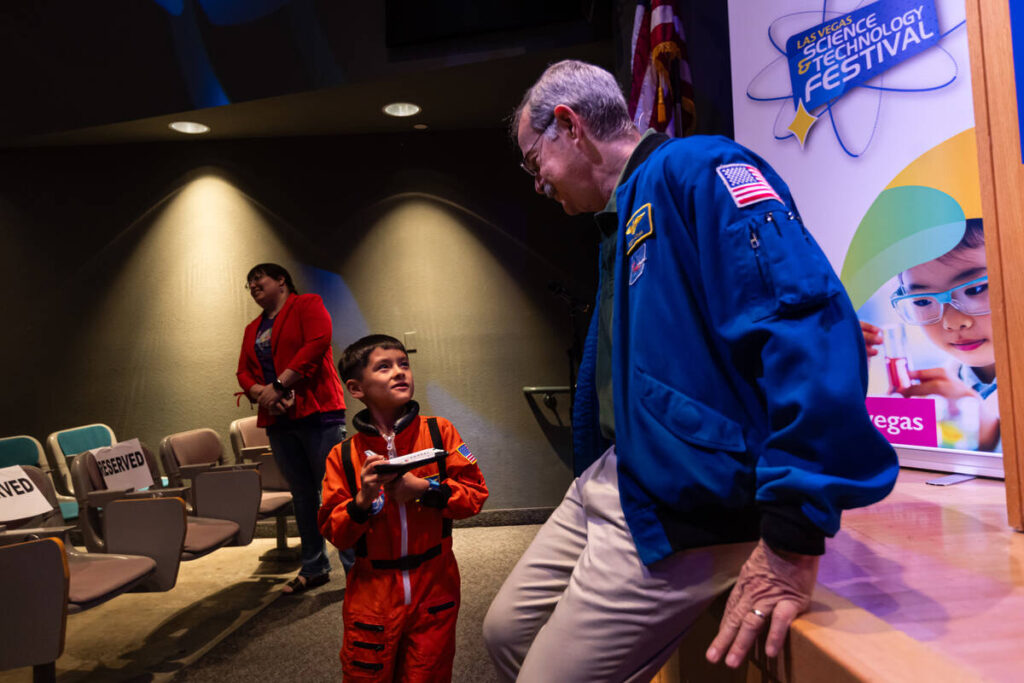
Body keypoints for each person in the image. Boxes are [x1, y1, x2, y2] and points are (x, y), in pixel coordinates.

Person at [482, 60, 898, 681]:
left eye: (531, 157)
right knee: (501, 634)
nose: (536, 180)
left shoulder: (697, 168)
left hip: (688, 490)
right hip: (621, 468)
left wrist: (790, 538)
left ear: (568, 126)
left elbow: (806, 328)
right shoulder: (621, 216)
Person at [318, 334, 488, 681]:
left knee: (428, 673)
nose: (399, 372)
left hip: (434, 586)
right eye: (384, 367)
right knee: (367, 674)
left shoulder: (440, 433)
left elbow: (474, 495)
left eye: (403, 364)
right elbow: (336, 532)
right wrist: (363, 501)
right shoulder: (344, 456)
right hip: (372, 592)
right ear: (356, 388)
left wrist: (423, 489)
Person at [236, 262, 352, 594]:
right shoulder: (252, 328)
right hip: (278, 418)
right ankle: (314, 567)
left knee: (336, 491)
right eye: (250, 284)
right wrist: (262, 393)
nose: (254, 286)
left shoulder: (308, 304)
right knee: (302, 495)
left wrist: (278, 385)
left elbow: (317, 343)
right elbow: (243, 372)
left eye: (259, 279)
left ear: (281, 280)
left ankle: (357, 568)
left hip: (318, 411)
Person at [861, 219, 999, 450]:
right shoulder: (938, 393)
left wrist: (992, 436)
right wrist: (845, 388)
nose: (952, 322)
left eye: (975, 289)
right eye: (923, 301)